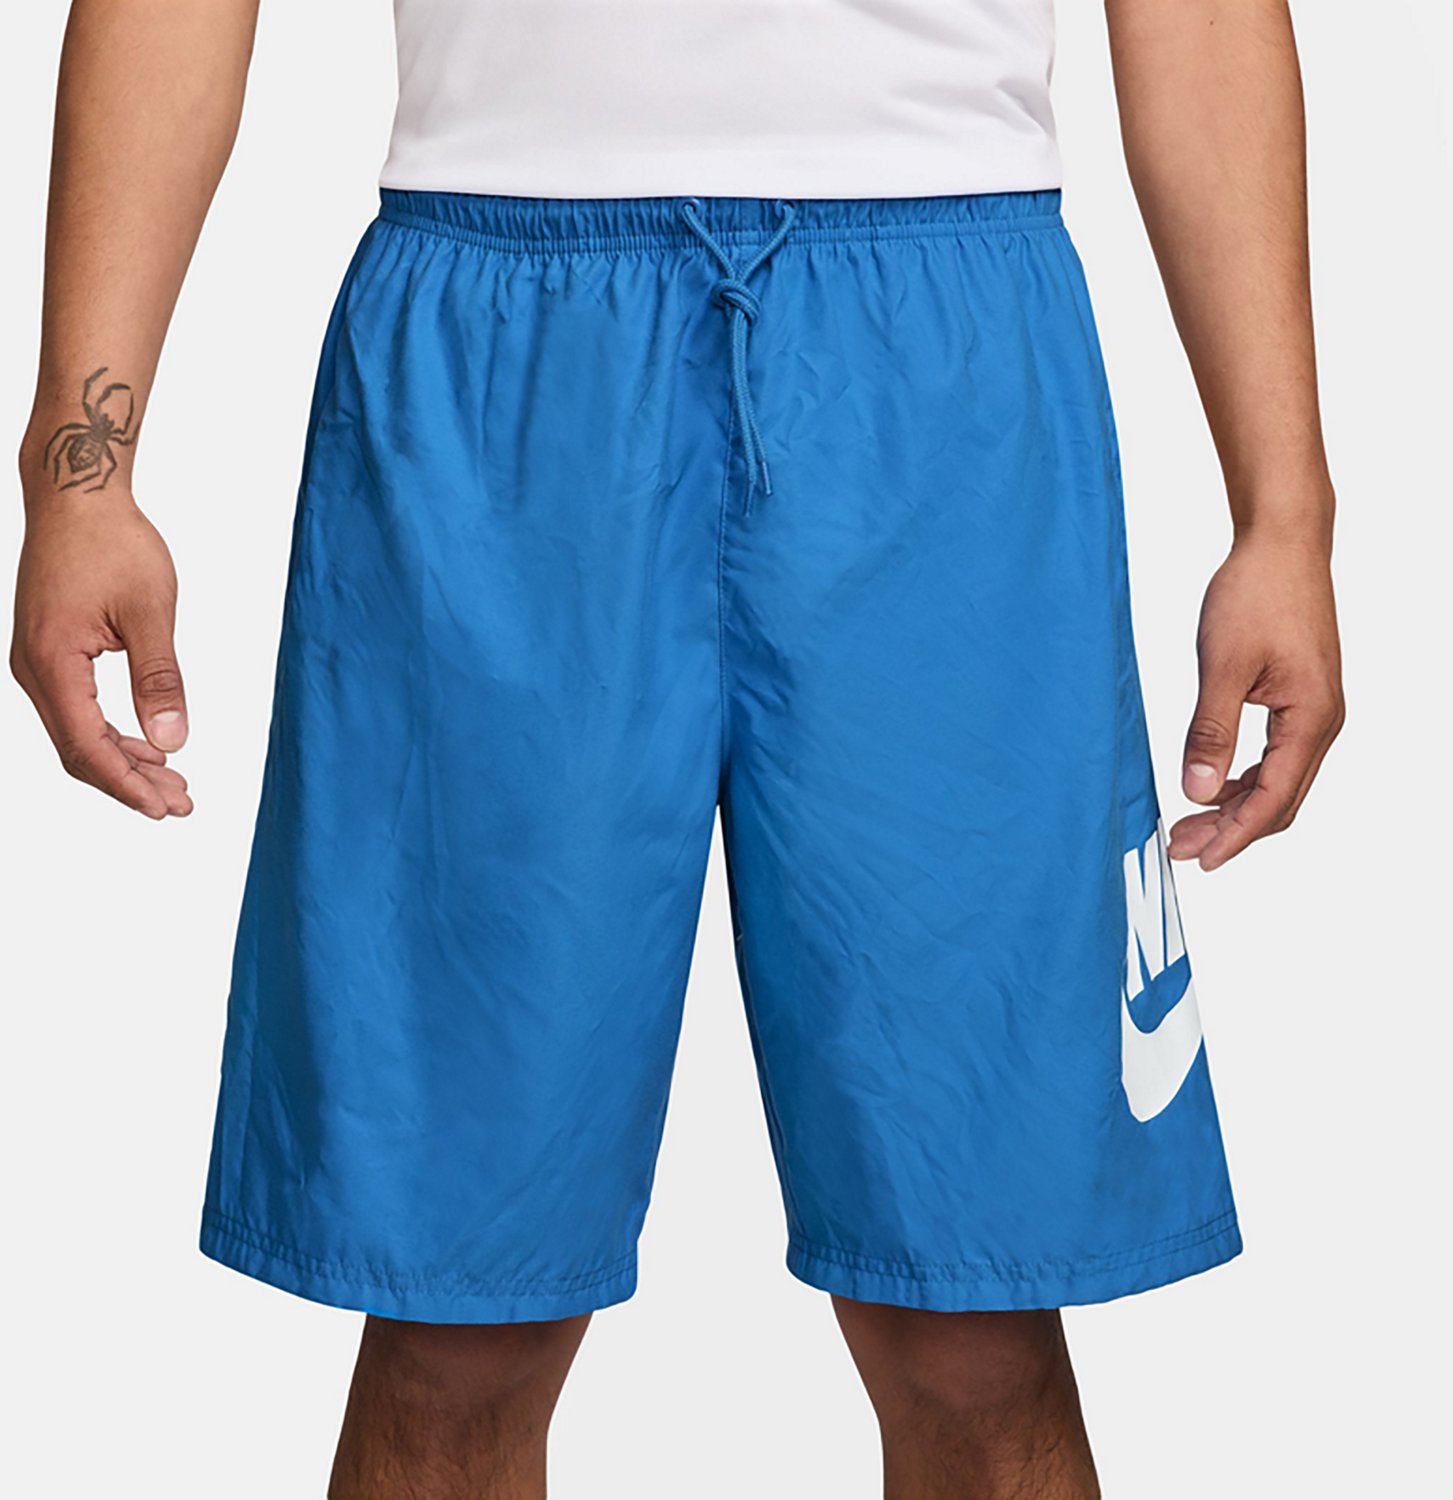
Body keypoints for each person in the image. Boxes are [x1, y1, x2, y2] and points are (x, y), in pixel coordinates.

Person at [10, 1, 1344, 1496]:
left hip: (942, 357)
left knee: (973, 1318)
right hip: (496, 345)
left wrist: (1285, 515)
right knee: (455, 1330)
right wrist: (79, 474)